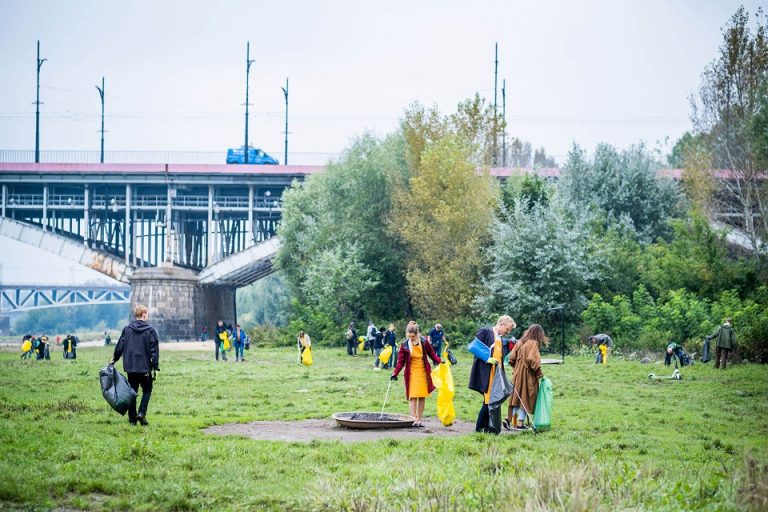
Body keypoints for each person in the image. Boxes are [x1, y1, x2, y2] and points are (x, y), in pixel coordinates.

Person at [111, 304, 159, 426]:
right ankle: (141, 413)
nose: (147, 315)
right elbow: (154, 350)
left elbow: (119, 347)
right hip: (144, 368)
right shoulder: (150, 330)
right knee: (147, 390)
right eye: (147, 313)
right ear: (144, 314)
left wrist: (114, 359)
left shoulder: (127, 329)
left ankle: (132, 420)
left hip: (131, 367)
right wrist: (155, 366)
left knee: (132, 392)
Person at [468, 315, 516, 434]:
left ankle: (487, 428)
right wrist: (487, 358)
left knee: (493, 399)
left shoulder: (500, 338)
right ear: (501, 324)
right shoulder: (486, 332)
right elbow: (473, 346)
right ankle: (479, 428)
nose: (508, 332)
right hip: (487, 371)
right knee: (489, 400)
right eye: (508, 329)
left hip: (497, 373)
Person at [391, 321, 442, 427]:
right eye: (409, 336)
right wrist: (395, 373)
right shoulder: (404, 345)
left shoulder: (424, 342)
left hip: (423, 371)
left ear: (417, 334)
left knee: (422, 396)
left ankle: (419, 419)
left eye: (413, 336)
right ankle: (413, 420)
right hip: (411, 373)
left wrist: (440, 361)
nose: (411, 339)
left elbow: (431, 353)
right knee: (413, 396)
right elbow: (400, 362)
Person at [506, 324, 548, 430]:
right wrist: (539, 373)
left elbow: (511, 358)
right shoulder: (533, 343)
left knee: (517, 397)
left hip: (517, 374)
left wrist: (517, 368)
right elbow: (533, 360)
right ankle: (519, 423)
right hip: (528, 375)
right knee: (527, 398)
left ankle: (508, 419)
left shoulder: (521, 341)